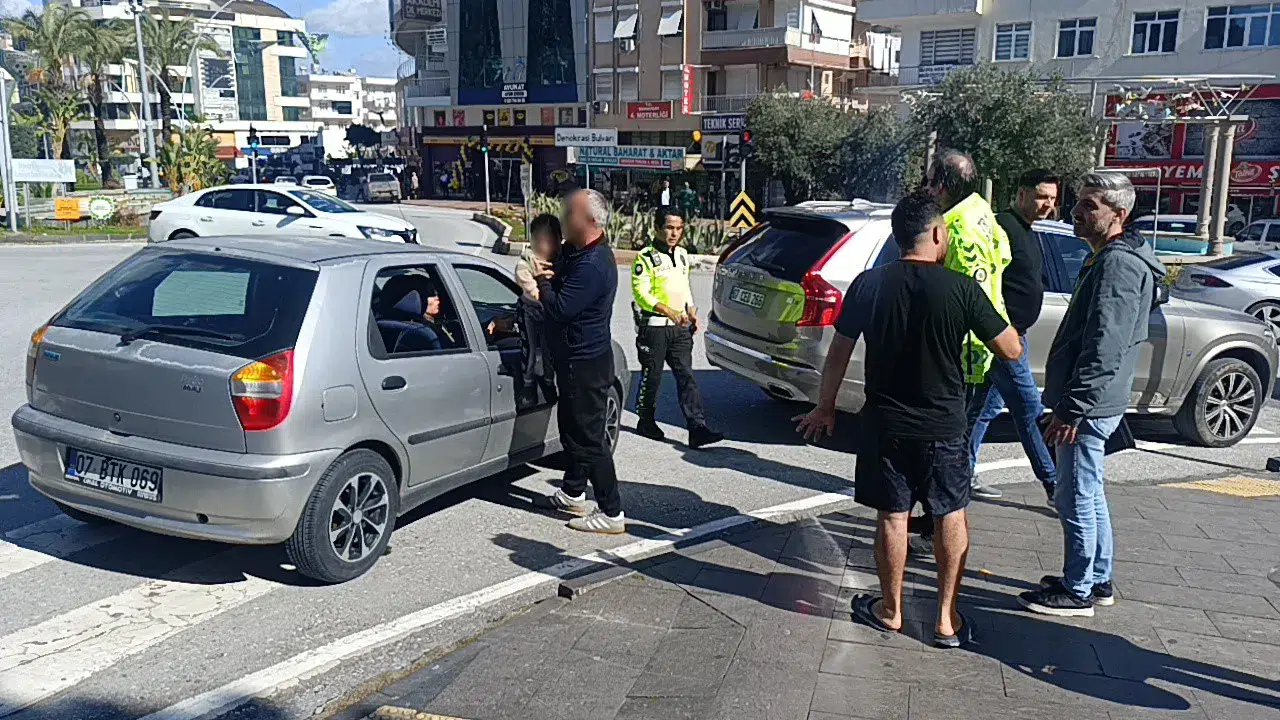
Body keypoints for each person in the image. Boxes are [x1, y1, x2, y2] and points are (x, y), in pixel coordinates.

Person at [795, 192, 1021, 647]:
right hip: (945, 428)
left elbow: (839, 350)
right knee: (950, 515)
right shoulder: (961, 288)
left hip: (885, 425)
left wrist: (825, 406)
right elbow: (1011, 349)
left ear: (898, 237)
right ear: (938, 234)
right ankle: (946, 620)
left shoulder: (868, 284)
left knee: (893, 517)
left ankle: (891, 611)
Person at [1018, 172, 1165, 617]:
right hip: (1096, 400)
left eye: (1090, 206)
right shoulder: (1112, 256)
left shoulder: (1118, 264)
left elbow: (1105, 343)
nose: (1077, 212)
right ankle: (1096, 578)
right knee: (1089, 490)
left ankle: (1079, 587)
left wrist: (1072, 407)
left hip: (1090, 403)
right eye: (1079, 203)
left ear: (1118, 215)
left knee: (1076, 494)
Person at [532, 189, 626, 534]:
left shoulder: (594, 265)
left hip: (585, 363)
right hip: (574, 361)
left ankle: (611, 512)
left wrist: (542, 280)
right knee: (571, 431)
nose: (561, 217)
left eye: (568, 212)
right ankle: (573, 492)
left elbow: (560, 308)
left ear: (588, 221)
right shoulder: (577, 251)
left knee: (589, 439)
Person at [968, 170, 1059, 507]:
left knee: (985, 408)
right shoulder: (1002, 227)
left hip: (1017, 337)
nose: (1048, 204)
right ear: (1021, 194)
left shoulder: (1029, 231)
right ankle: (1056, 487)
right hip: (1002, 340)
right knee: (1030, 411)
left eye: (1051, 198)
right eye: (1041, 196)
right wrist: (1001, 331)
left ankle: (963, 472)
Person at [927, 149, 1012, 503]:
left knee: (950, 446)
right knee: (957, 440)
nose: (927, 189)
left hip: (966, 351)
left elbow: (966, 297)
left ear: (944, 185)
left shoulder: (958, 231)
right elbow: (1005, 256)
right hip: (979, 345)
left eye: (931, 182)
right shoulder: (981, 212)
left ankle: (941, 521)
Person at [632, 209, 723, 448]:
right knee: (651, 377)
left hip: (680, 330)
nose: (674, 233)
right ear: (657, 228)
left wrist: (690, 309)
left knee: (686, 376)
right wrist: (667, 310)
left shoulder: (682, 255)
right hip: (655, 327)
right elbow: (641, 293)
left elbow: (684, 287)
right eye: (669, 227)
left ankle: (697, 428)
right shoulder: (646, 257)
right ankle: (646, 419)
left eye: (679, 228)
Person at [513, 213, 562, 408]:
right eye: (540, 240)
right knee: (531, 350)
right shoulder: (526, 263)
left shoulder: (560, 261)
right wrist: (545, 286)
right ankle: (528, 385)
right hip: (530, 311)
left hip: (550, 313)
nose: (544, 246)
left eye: (550, 240)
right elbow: (534, 293)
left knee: (550, 351)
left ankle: (548, 382)